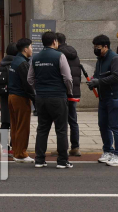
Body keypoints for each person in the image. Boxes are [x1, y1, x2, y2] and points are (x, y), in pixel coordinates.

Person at [27, 31, 74, 169]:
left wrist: (39, 89)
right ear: (54, 41)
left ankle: (40, 159)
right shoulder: (60, 56)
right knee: (61, 129)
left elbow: (30, 79)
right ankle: (62, 160)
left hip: (41, 98)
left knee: (42, 128)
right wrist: (69, 91)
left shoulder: (36, 58)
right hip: (58, 97)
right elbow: (67, 78)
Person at [87, 34, 118, 166]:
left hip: (115, 97)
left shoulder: (115, 59)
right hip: (104, 98)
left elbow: (116, 77)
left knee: (116, 126)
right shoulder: (100, 60)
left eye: (98, 47)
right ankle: (108, 151)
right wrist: (94, 80)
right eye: (94, 47)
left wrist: (99, 81)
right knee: (103, 125)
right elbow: (98, 75)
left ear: (105, 47)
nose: (96, 50)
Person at [7, 37, 35, 162]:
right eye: (31, 47)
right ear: (25, 49)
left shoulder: (15, 60)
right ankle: (21, 154)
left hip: (12, 96)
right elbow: (28, 84)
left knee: (15, 126)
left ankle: (16, 151)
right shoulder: (23, 63)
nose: (32, 49)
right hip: (20, 97)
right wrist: (35, 100)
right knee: (23, 126)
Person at [55, 33, 83, 155]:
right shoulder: (74, 54)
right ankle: (75, 147)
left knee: (61, 122)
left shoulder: (58, 55)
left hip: (61, 92)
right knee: (73, 120)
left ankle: (62, 149)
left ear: (56, 41)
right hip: (74, 92)